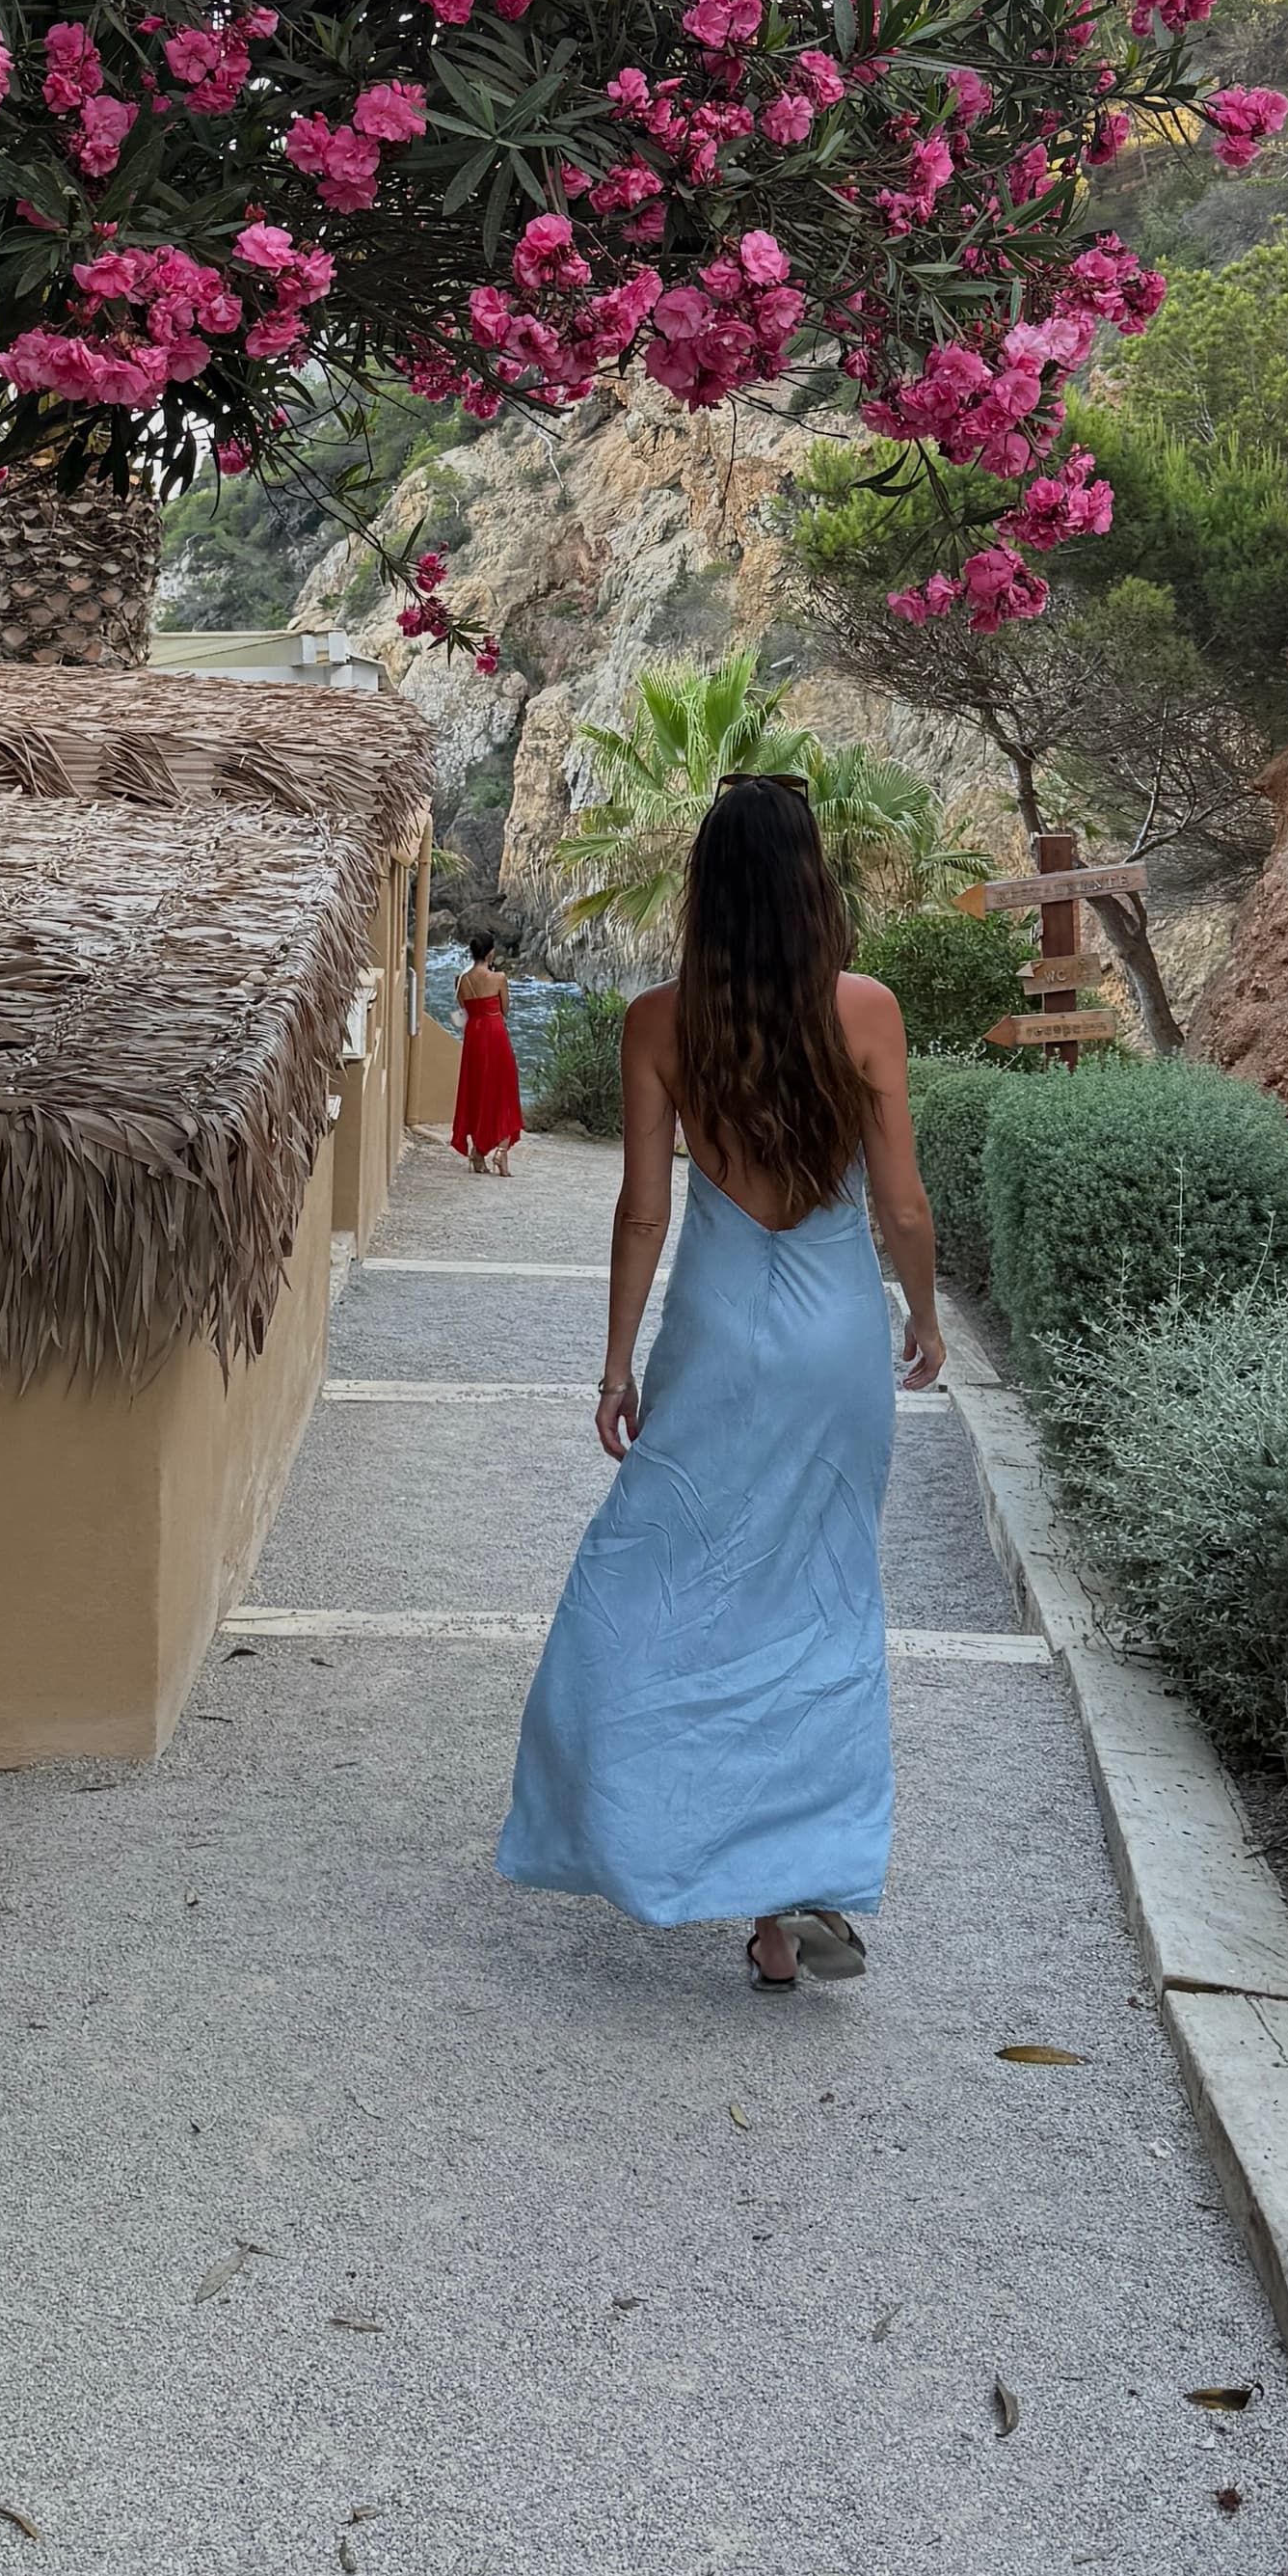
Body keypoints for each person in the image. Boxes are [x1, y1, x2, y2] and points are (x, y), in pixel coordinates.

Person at [495, 771, 946, 1991]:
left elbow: (644, 1212)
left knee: (656, 1571)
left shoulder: (660, 1020)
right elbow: (900, 1200)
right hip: (832, 1333)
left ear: (706, 888)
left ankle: (669, 1845)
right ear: (813, 885)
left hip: (714, 1319)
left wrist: (614, 1360)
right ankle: (788, 1885)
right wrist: (926, 1312)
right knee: (818, 1593)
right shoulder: (868, 1010)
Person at [450, 930, 525, 1177]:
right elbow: (505, 1009)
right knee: (503, 1090)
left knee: (476, 1090)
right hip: (494, 1034)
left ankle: (478, 1153)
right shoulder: (499, 978)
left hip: (474, 1036)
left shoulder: (461, 980)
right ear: (491, 952)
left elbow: (463, 1009)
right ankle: (501, 1153)